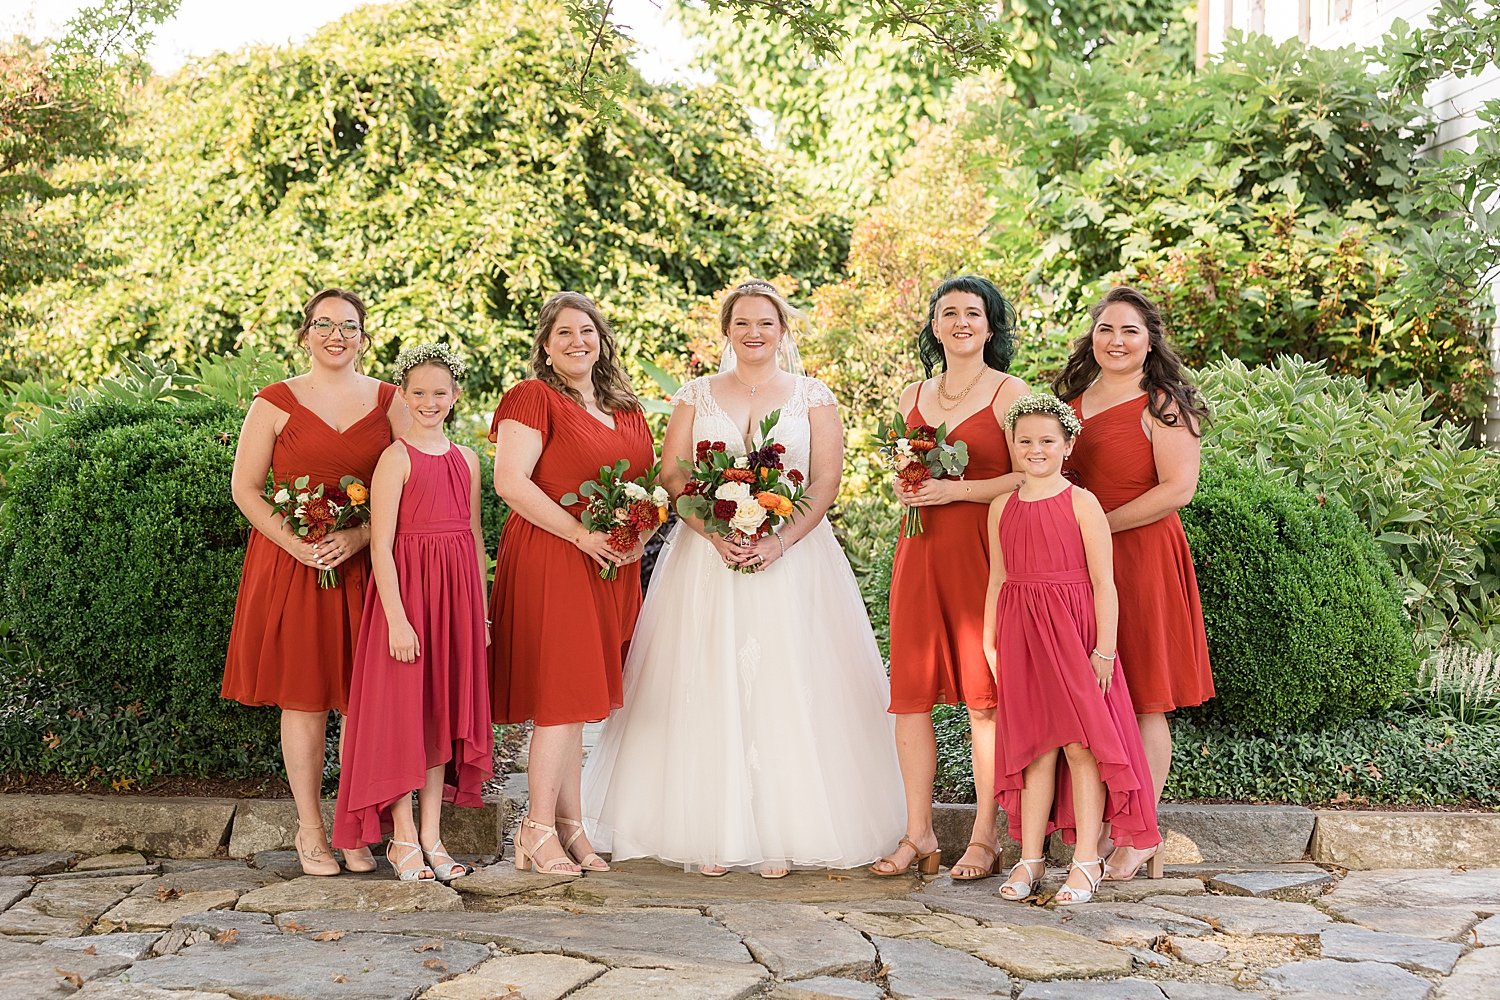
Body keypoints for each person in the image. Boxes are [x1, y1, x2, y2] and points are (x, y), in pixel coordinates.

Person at [580, 279, 905, 877]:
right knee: (706, 676)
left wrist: (777, 540)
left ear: (783, 331)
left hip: (795, 558)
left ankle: (782, 832)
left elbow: (825, 484)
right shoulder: (695, 394)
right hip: (706, 559)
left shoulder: (813, 396)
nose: (754, 333)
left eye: (766, 323)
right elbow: (674, 478)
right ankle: (710, 832)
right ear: (727, 331)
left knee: (788, 679)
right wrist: (714, 530)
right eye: (742, 324)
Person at [223, 288, 409, 876]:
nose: (336, 334)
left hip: (365, 567)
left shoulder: (390, 400)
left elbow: (417, 481)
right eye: (324, 324)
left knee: (362, 700)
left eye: (349, 325)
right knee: (304, 700)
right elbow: (246, 489)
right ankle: (309, 830)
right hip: (292, 566)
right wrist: (298, 544)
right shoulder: (273, 403)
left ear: (364, 337)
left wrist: (357, 538)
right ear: (304, 334)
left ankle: (355, 827)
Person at [489, 291, 656, 877]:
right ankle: (536, 831)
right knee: (561, 697)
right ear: (545, 344)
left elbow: (648, 487)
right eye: (563, 333)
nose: (577, 341)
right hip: (553, 555)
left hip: (612, 564)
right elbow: (511, 482)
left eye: (586, 331)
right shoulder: (531, 398)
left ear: (602, 339)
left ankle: (571, 829)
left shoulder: (627, 407)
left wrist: (637, 534)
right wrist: (582, 536)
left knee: (579, 700)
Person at [872, 276, 1029, 881]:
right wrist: (907, 486)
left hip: (983, 557)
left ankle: (985, 839)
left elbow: (1029, 474)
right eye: (949, 313)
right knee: (909, 699)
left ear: (991, 327)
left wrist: (955, 491)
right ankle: (920, 832)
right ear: (934, 327)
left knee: (983, 700)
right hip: (918, 554)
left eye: (974, 313)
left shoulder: (1011, 392)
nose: (962, 322)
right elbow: (901, 474)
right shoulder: (913, 392)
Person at [1054, 286, 1212, 881]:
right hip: (1074, 568)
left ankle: (1141, 832)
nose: (1116, 342)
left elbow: (1178, 489)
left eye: (1130, 332)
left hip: (1141, 558)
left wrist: (1098, 527)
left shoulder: (1165, 401)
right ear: (1091, 336)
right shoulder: (1069, 400)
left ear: (1151, 341)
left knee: (1142, 690)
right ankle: (1089, 830)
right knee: (1087, 694)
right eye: (1106, 330)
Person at [983, 394, 1163, 905]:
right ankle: (1031, 858)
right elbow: (998, 579)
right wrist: (989, 641)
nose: (1035, 449)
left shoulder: (1082, 504)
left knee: (1082, 745)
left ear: (1067, 445)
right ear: (1013, 447)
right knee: (1035, 748)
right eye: (1025, 441)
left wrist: (1103, 651)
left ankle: (1087, 859)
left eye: (1047, 441)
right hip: (1020, 635)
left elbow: (1105, 583)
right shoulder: (1002, 507)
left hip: (1074, 633)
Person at [331, 344, 493, 881]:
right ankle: (401, 841)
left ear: (455, 397)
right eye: (418, 392)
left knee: (439, 716)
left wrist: (481, 613)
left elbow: (472, 535)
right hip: (406, 603)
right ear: (402, 395)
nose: (429, 401)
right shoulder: (394, 459)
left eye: (439, 393)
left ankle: (432, 838)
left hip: (456, 601)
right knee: (403, 715)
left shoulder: (466, 459)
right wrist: (398, 619)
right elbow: (380, 546)